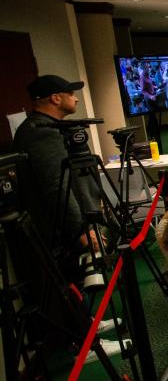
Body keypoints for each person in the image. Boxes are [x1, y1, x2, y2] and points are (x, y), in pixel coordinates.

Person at [12, 74, 101, 257]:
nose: (76, 98)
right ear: (55, 98)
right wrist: (81, 229)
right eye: (71, 93)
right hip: (62, 233)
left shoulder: (40, 127)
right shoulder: (42, 133)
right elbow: (57, 186)